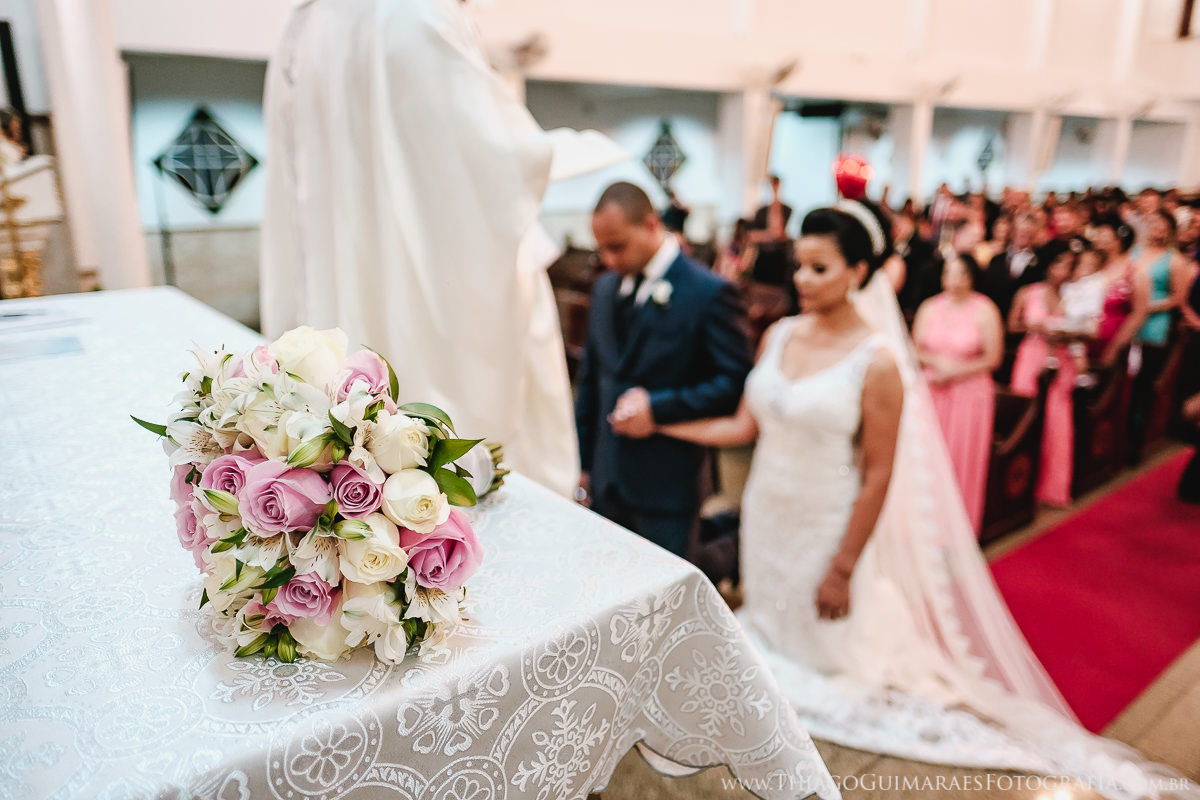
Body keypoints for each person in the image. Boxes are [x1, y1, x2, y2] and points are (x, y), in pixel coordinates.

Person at [621, 199, 1194, 798]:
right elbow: (743, 426)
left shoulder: (877, 362)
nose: (802, 280)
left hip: (827, 518)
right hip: (769, 510)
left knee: (827, 651)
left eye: (820, 268)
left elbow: (877, 475)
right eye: (800, 266)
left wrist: (843, 567)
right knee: (770, 629)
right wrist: (658, 423)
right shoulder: (782, 334)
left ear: (860, 272)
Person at [259, 0, 579, 497]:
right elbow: (489, 163)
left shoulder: (303, 24)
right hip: (423, 326)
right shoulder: (421, 15)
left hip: (329, 315)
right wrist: (561, 151)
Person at [575, 181, 752, 558]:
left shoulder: (709, 293)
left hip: (667, 485)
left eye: (618, 245)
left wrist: (657, 408)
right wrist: (586, 465)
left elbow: (733, 384)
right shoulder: (605, 289)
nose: (608, 259)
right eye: (601, 247)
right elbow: (592, 380)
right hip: (607, 480)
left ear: (651, 225)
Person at [913, 251, 1004, 534]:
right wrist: (936, 362)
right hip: (931, 389)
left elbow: (993, 358)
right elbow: (915, 347)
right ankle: (922, 524)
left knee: (958, 458)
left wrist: (956, 371)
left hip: (969, 392)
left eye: (959, 274)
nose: (952, 281)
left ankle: (954, 529)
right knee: (925, 457)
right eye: (948, 274)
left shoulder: (985, 309)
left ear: (971, 277)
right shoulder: (929, 307)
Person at [1009, 246, 1079, 507]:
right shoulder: (1029, 293)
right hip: (1032, 357)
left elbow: (1086, 328)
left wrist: (1069, 332)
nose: (1065, 271)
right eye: (1061, 264)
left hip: (1061, 358)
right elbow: (1012, 324)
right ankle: (1021, 485)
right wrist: (1032, 326)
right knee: (1028, 418)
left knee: (1058, 423)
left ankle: (1052, 487)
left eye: (1070, 266)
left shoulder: (1073, 295)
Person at [983, 211, 1043, 320]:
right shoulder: (996, 260)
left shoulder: (1040, 263)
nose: (1022, 235)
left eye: (1027, 231)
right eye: (1019, 230)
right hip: (996, 316)